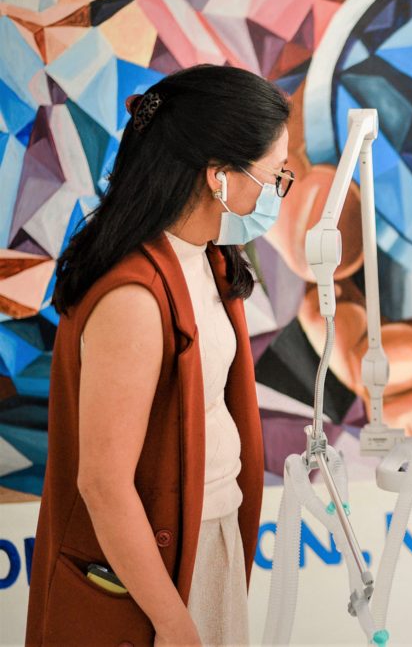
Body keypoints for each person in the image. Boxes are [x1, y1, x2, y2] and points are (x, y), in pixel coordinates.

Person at [26, 65, 293, 646]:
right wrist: (174, 623)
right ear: (219, 178)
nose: (276, 193)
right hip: (153, 574)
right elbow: (104, 485)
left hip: (206, 537)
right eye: (274, 175)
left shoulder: (205, 258)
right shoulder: (133, 297)